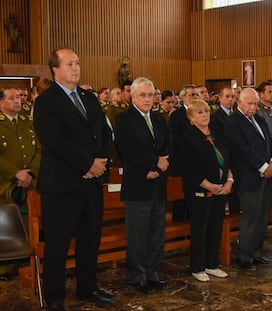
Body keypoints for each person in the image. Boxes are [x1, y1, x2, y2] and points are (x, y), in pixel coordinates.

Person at [33, 48, 114, 311]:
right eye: (70, 64)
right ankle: (55, 297)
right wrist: (87, 163)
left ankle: (87, 288)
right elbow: (55, 141)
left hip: (90, 183)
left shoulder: (88, 98)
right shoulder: (46, 101)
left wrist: (100, 162)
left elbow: (104, 133)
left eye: (78, 63)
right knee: (58, 244)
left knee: (90, 240)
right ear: (55, 69)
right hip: (61, 186)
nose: (76, 68)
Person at [114, 77, 171, 294]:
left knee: (157, 232)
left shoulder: (159, 118)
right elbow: (129, 150)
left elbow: (168, 144)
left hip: (158, 184)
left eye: (150, 95)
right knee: (138, 235)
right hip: (138, 184)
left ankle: (153, 272)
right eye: (142, 95)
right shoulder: (124, 120)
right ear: (133, 97)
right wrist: (155, 164)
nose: (148, 99)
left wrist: (161, 165)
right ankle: (137, 275)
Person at [179, 99, 232, 282]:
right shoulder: (188, 137)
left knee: (215, 227)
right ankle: (198, 267)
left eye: (206, 111)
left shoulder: (217, 133)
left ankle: (212, 264)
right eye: (199, 112)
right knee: (200, 228)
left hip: (220, 188)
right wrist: (208, 185)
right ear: (191, 118)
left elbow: (227, 158)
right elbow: (189, 167)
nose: (204, 115)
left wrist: (229, 180)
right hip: (200, 189)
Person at [226, 88, 272, 271]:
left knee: (263, 216)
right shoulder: (233, 122)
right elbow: (241, 149)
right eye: (249, 103)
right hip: (248, 176)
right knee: (251, 216)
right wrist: (263, 167)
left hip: (266, 174)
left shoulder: (260, 120)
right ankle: (245, 255)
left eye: (255, 104)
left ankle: (256, 252)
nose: (253, 107)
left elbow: (270, 144)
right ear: (239, 103)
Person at [0, 87, 40, 212]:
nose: (17, 101)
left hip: (30, 184)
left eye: (18, 97)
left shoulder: (28, 122)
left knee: (32, 227)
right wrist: (16, 173)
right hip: (5, 186)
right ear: (1, 103)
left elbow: (39, 149)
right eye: (11, 98)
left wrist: (29, 174)